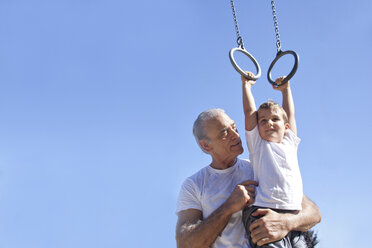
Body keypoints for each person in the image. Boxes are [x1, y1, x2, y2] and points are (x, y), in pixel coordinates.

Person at [175, 108, 321, 248]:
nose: (236, 135)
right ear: (206, 146)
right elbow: (186, 244)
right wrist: (229, 206)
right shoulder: (193, 185)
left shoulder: (259, 166)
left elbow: (313, 213)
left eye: (234, 127)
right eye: (224, 132)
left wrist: (286, 222)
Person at [241, 72, 308, 247]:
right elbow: (249, 112)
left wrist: (286, 90)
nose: (269, 123)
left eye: (274, 119)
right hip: (264, 211)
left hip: (294, 215)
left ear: (285, 127)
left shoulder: (290, 142)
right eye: (263, 121)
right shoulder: (259, 145)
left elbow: (290, 115)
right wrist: (246, 86)